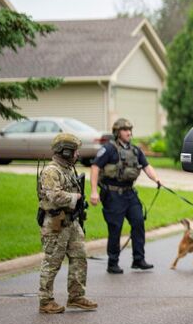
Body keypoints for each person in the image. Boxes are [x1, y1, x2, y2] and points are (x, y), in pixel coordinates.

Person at [89, 118, 162, 273]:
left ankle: (138, 259)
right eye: (125, 130)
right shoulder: (108, 149)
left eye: (130, 129)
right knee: (115, 228)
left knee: (138, 222)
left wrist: (156, 179)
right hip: (112, 194)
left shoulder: (135, 150)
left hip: (130, 193)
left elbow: (146, 166)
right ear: (117, 132)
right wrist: (94, 191)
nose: (129, 132)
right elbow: (95, 167)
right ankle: (112, 263)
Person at [37, 133, 97, 313]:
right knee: (52, 262)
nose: (78, 154)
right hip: (55, 223)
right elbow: (54, 196)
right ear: (65, 151)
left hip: (72, 222)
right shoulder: (51, 171)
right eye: (75, 151)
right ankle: (45, 301)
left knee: (79, 257)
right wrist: (76, 197)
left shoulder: (68, 169)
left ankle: (76, 296)